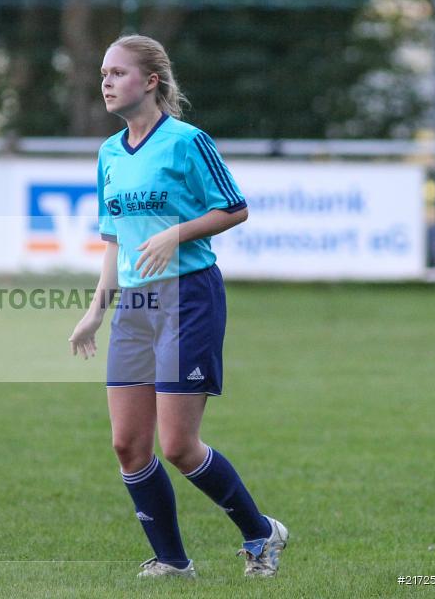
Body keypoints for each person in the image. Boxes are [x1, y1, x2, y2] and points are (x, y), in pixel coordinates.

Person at [68, 34, 288, 579]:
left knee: (180, 446)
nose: (107, 83)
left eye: (118, 73)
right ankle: (172, 562)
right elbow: (115, 240)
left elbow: (234, 209)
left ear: (151, 81)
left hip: (188, 298)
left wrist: (177, 234)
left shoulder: (188, 141)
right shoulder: (110, 154)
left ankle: (261, 535)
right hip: (135, 307)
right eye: (102, 74)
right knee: (127, 444)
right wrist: (97, 309)